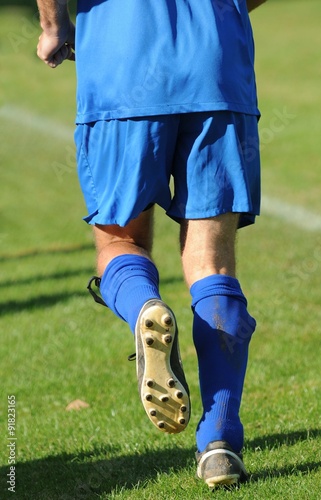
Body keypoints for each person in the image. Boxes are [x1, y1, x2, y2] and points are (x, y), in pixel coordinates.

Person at [36, 0, 266, 489]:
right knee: (214, 265)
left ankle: (144, 305)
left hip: (122, 67)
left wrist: (54, 27)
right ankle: (221, 441)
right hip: (217, 66)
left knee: (121, 239)